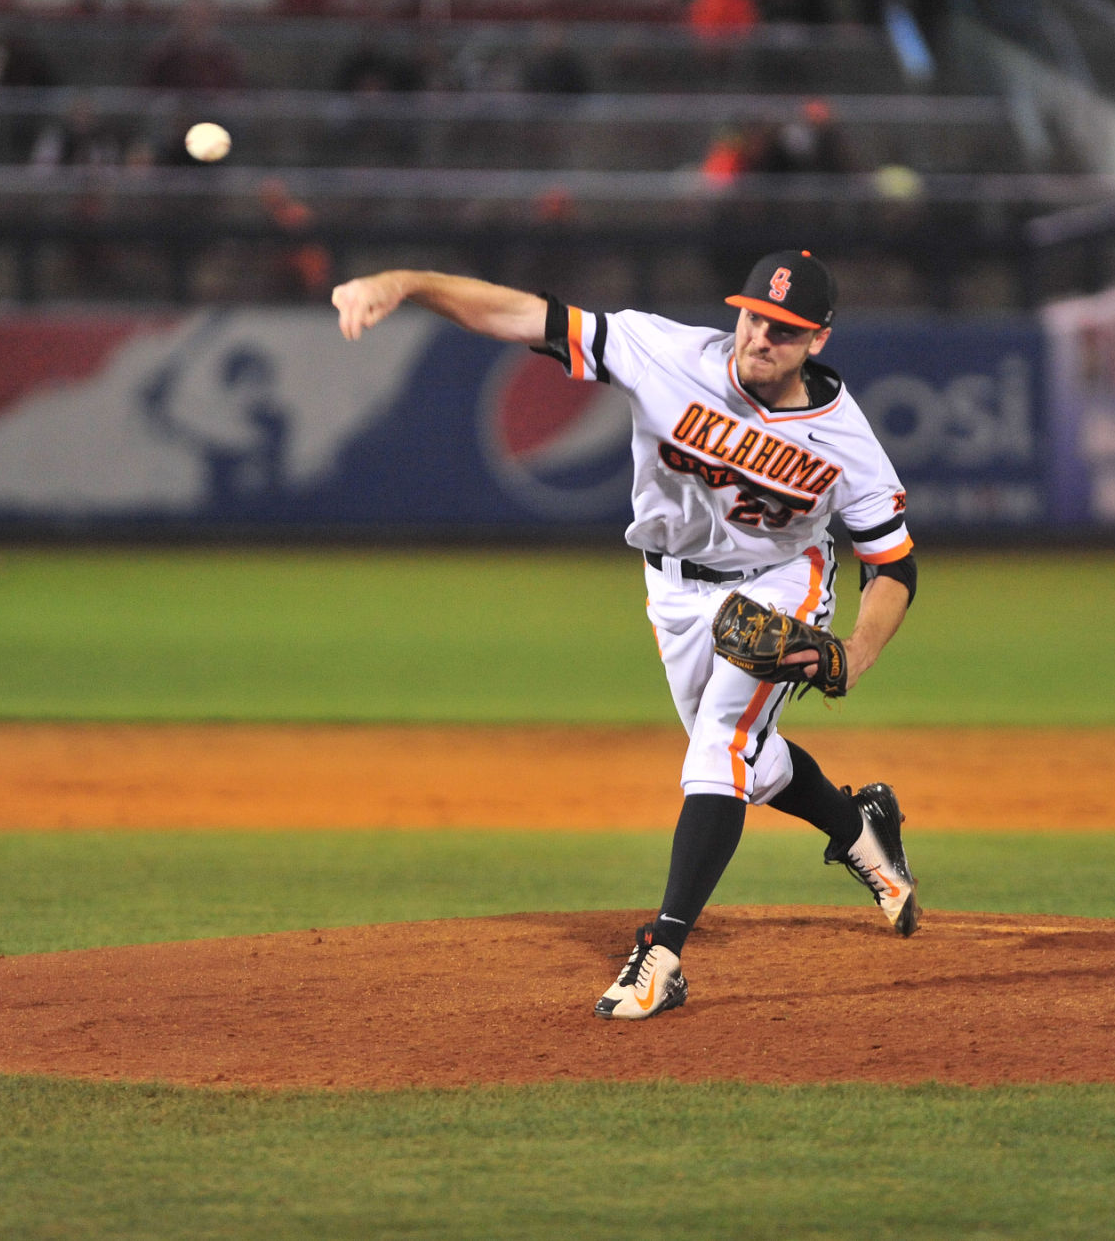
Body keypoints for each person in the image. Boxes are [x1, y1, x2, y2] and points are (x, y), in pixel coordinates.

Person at [333, 249, 921, 1020]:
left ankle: (663, 953)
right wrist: (405, 284)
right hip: (672, 586)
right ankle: (858, 826)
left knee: (718, 746)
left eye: (782, 330)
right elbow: (522, 316)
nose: (757, 338)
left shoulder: (844, 443)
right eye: (751, 317)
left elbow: (895, 566)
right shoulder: (664, 353)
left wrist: (854, 652)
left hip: (781, 584)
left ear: (817, 340)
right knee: (750, 760)